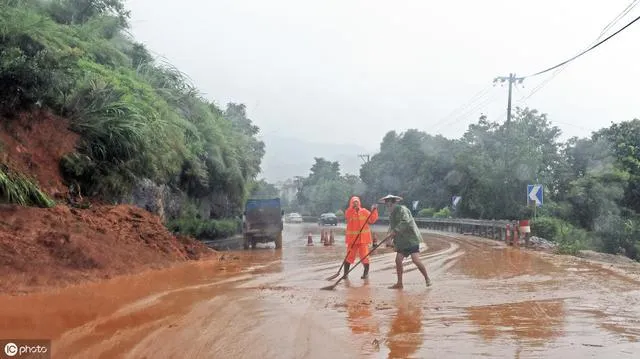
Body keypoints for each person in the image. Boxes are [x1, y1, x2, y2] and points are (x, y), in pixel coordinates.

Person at [380, 194, 432, 289]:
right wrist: (388, 238)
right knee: (398, 260)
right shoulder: (391, 214)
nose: (388, 206)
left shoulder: (402, 209)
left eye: (389, 204)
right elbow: (391, 227)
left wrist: (395, 231)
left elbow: (405, 221)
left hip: (411, 239)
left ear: (394, 203)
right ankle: (400, 283)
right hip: (401, 242)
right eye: (387, 205)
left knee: (415, 260)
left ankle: (427, 278)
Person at [343, 196, 379, 279]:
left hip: (363, 239)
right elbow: (347, 216)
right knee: (349, 256)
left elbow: (372, 220)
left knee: (364, 256)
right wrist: (353, 209)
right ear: (351, 203)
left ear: (359, 203)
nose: (355, 203)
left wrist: (374, 210)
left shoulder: (364, 212)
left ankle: (365, 274)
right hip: (352, 240)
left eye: (356, 202)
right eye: (353, 202)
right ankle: (345, 274)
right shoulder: (349, 212)